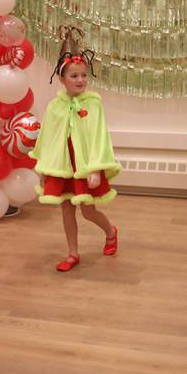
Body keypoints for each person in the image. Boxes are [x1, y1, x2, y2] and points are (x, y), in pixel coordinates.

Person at [30, 27, 121, 272]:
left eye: (83, 75)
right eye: (74, 76)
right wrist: (43, 168)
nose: (80, 80)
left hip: (84, 165)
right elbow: (47, 139)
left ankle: (111, 232)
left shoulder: (93, 104)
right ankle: (72, 253)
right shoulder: (54, 106)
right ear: (62, 79)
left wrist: (95, 169)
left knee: (88, 211)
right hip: (62, 165)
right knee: (66, 210)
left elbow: (99, 137)